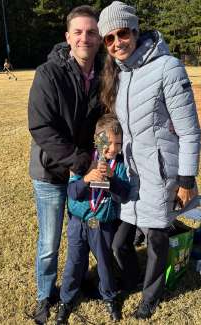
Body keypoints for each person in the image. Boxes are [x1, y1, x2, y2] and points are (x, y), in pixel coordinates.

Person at [98, 1, 201, 319]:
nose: (117, 42)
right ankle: (133, 281)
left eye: (123, 33)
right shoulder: (122, 74)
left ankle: (150, 298)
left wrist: (185, 180)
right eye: (110, 38)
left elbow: (190, 132)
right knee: (119, 244)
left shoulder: (168, 67)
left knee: (156, 240)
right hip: (133, 175)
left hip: (161, 174)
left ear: (136, 31)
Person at [28, 5, 102, 324]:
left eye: (91, 32)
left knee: (81, 233)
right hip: (51, 173)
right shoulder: (49, 73)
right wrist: (79, 162)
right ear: (68, 37)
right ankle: (45, 296)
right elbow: (41, 126)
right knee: (49, 241)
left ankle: (77, 282)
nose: (85, 37)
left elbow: (106, 116)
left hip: (85, 171)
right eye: (79, 31)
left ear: (99, 38)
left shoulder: (104, 73)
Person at [56, 114, 130, 324]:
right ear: (97, 140)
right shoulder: (83, 160)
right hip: (78, 222)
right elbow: (72, 192)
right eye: (107, 142)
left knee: (105, 262)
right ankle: (66, 299)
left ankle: (109, 296)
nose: (112, 148)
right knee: (75, 262)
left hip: (102, 224)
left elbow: (122, 195)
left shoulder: (120, 166)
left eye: (118, 143)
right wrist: (87, 178)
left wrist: (112, 180)